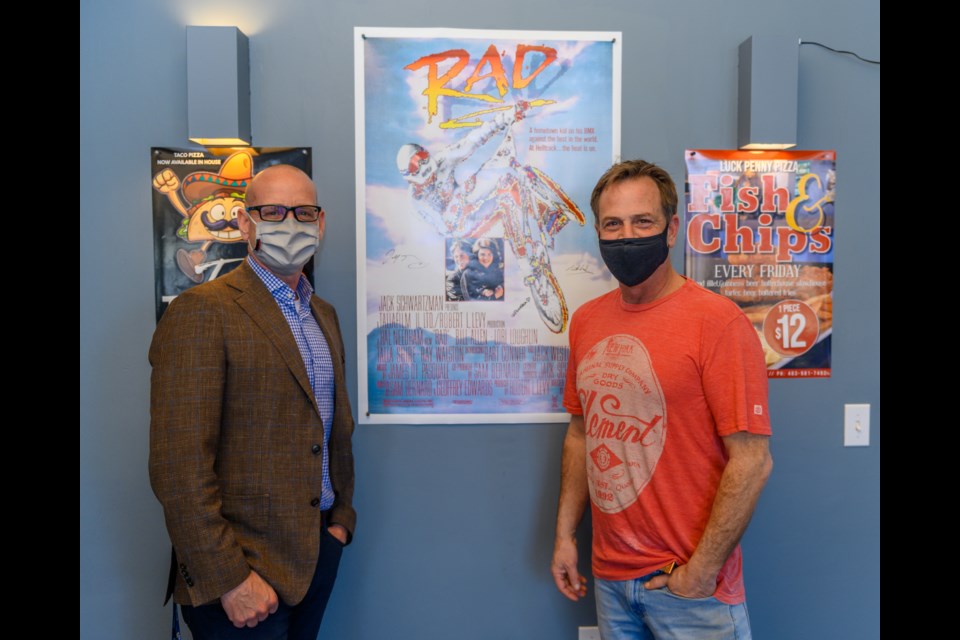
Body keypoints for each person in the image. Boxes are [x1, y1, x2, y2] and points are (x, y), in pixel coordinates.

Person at [551, 160, 772, 639]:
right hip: (610, 578)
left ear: (671, 229)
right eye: (613, 224)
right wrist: (566, 535)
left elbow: (752, 461)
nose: (626, 236)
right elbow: (581, 433)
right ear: (599, 233)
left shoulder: (718, 323)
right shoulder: (587, 322)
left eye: (642, 222)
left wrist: (700, 572)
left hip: (690, 588)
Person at [149, 164, 356, 640]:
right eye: (273, 212)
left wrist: (341, 522)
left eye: (304, 212)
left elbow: (330, 428)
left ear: (320, 224)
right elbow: (177, 465)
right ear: (246, 223)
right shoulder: (202, 311)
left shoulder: (323, 314)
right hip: (240, 575)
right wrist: (228, 578)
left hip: (318, 552)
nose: (291, 223)